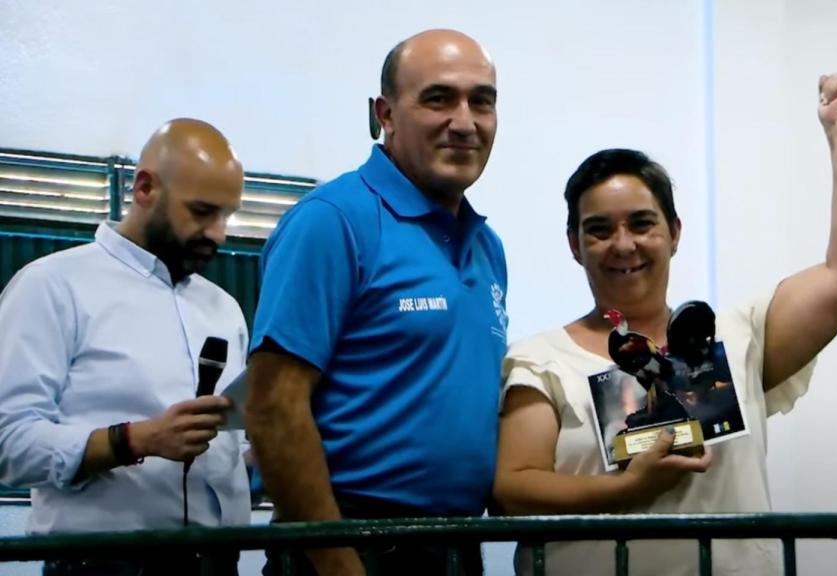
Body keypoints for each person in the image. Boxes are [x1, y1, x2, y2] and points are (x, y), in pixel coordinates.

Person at [493, 74, 837, 576]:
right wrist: (627, 489)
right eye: (599, 230)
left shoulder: (740, 338)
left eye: (641, 223)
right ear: (575, 245)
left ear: (674, 233)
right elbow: (512, 490)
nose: (623, 244)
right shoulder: (540, 360)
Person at [246, 29, 506, 576]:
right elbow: (273, 410)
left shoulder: (487, 247)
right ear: (385, 113)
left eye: (481, 101)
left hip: (457, 546)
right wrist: (339, 561)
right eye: (439, 98)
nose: (465, 121)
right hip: (351, 547)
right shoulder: (332, 222)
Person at [0, 119, 251, 575]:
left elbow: (228, 448)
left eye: (227, 216)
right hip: (104, 566)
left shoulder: (224, 308)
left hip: (220, 561)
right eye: (201, 211)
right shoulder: (52, 287)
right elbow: (8, 443)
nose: (218, 234)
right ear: (144, 188)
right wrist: (135, 439)